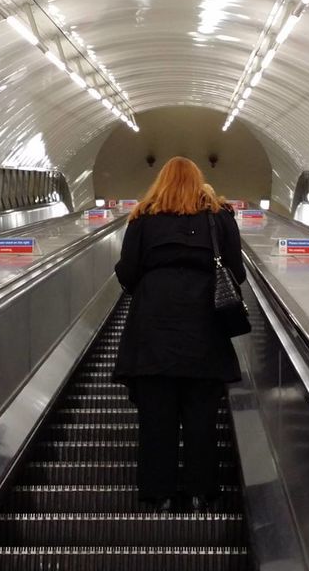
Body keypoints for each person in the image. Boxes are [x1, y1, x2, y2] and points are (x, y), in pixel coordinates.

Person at [112, 157, 246, 512]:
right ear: (198, 181)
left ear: (161, 182)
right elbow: (237, 272)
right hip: (205, 331)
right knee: (201, 419)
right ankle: (202, 492)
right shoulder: (219, 219)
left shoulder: (142, 218)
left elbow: (127, 272)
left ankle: (159, 495)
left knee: (156, 419)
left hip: (153, 332)